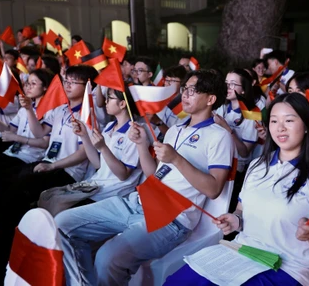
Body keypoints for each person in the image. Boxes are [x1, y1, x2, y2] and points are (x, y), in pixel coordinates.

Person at [55, 69, 234, 285]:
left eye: (192, 90)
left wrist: (176, 159)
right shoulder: (175, 130)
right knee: (62, 224)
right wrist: (141, 144)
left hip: (172, 219)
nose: (185, 94)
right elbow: (154, 174)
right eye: (185, 89)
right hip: (138, 202)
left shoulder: (219, 136)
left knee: (108, 258)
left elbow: (214, 189)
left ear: (211, 99)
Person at [165, 93, 309, 286]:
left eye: (289, 120)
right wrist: (235, 220)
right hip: (241, 252)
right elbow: (241, 210)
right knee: (177, 282)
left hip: (285, 268)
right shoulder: (258, 166)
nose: (280, 128)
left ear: (307, 126)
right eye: (274, 121)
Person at [0, 65, 98, 284]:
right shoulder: (60, 109)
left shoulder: (89, 115)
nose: (66, 85)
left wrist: (54, 165)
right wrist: (30, 109)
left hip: (67, 172)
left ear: (87, 86)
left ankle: (7, 257)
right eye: (65, 80)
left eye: (72, 82)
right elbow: (40, 132)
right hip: (47, 164)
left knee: (16, 194)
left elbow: (82, 154)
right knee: (5, 184)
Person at [69, 86, 147, 202]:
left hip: (112, 193)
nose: (105, 101)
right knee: (50, 198)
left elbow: (123, 175)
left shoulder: (135, 132)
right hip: (96, 185)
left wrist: (103, 147)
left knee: (61, 208)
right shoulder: (109, 126)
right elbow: (98, 164)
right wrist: (84, 136)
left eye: (109, 98)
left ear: (122, 104)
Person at [0, 69, 54, 192]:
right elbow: (8, 131)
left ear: (45, 87)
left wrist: (17, 138)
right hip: (12, 152)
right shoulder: (24, 109)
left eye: (33, 83)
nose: (28, 87)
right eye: (27, 83)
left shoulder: (50, 112)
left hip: (28, 158)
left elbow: (43, 143)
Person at [214, 69, 258, 211]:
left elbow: (244, 152)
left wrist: (227, 128)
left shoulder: (252, 114)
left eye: (233, 84)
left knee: (228, 208)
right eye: (226, 83)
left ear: (244, 90)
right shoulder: (222, 107)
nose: (228, 88)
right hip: (218, 163)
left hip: (237, 172)